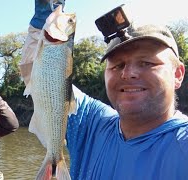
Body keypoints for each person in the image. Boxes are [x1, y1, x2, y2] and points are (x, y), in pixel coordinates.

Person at [64, 5, 188, 180]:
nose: (128, 73)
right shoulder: (90, 123)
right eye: (117, 65)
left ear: (177, 74)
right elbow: (44, 74)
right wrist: (47, 13)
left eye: (146, 62)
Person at [19, 0, 65, 85]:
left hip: (55, 27)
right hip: (36, 27)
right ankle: (38, 94)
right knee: (26, 65)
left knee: (52, 69)